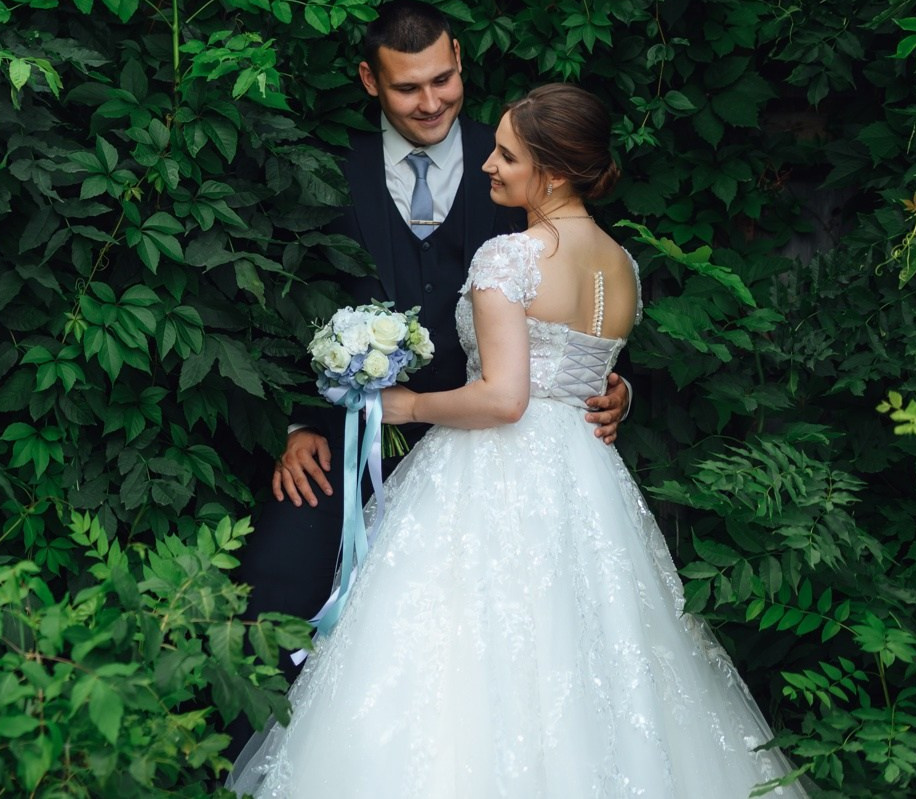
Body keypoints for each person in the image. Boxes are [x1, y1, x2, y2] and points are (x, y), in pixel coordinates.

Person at [229, 85, 806, 798]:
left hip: (496, 472)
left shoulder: (509, 257)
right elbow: (586, 373)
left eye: (506, 154)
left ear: (554, 172)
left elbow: (505, 397)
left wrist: (406, 402)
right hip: (588, 477)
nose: (488, 166)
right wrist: (616, 392)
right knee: (594, 647)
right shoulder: (622, 264)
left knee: (466, 656)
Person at [234, 1, 631, 663]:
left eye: (442, 80)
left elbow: (575, 300)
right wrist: (295, 424)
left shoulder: (517, 160)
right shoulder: (326, 167)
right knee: (272, 585)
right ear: (369, 80)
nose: (429, 102)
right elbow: (284, 300)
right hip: (347, 436)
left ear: (460, 65)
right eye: (407, 86)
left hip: (487, 443)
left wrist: (611, 384)